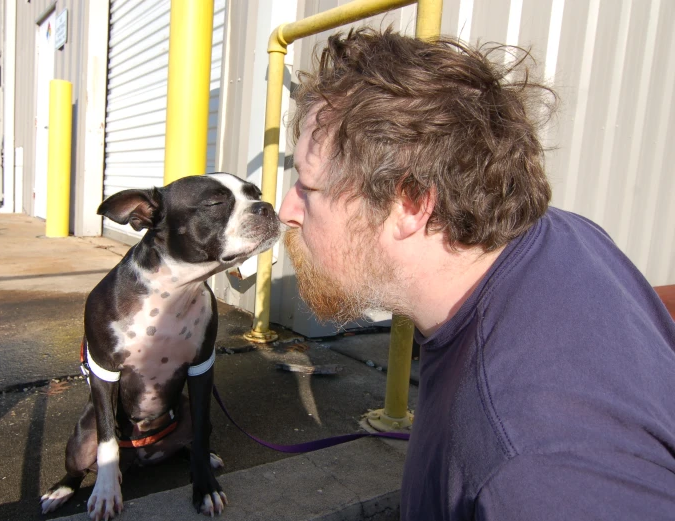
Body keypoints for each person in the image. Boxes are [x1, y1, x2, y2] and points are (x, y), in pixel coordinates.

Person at [278, 27, 675, 520]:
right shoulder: (561, 236)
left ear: (411, 204)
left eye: (308, 186)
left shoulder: (533, 467)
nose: (286, 209)